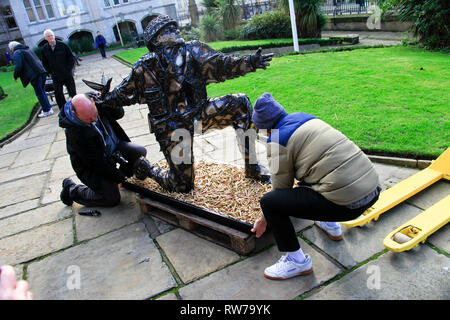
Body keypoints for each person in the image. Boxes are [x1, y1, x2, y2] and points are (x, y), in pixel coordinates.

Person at [88, 14, 273, 193]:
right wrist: (101, 100)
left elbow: (223, 64)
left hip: (200, 114)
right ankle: (147, 168)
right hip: (172, 127)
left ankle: (252, 167)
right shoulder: (144, 68)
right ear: (157, 39)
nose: (176, 31)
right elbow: (122, 94)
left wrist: (250, 62)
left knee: (240, 103)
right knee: (182, 186)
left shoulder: (194, 51)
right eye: (168, 29)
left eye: (174, 27)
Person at [250, 93, 381, 280]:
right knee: (314, 174)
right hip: (372, 188)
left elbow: (281, 190)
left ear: (265, 128)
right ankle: (330, 225)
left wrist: (263, 219)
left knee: (270, 203)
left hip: (348, 205)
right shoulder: (304, 117)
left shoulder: (277, 140)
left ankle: (296, 261)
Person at [59, 93, 148, 207]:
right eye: (90, 120)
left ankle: (122, 180)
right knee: (111, 198)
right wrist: (119, 178)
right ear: (75, 114)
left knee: (139, 152)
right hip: (91, 166)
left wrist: (110, 102)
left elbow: (119, 114)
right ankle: (72, 190)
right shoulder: (75, 133)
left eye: (95, 115)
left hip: (113, 147)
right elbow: (97, 164)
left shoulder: (97, 103)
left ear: (92, 102)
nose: (94, 119)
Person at [9, 41, 54, 118]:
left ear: (12, 48)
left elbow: (18, 66)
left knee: (39, 93)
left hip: (34, 74)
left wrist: (15, 76)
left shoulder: (17, 52)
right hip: (41, 71)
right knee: (42, 91)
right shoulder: (27, 49)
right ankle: (48, 108)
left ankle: (47, 110)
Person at [41, 29, 77, 110]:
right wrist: (49, 72)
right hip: (55, 75)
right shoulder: (45, 49)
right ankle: (63, 109)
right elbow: (44, 62)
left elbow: (71, 58)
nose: (50, 37)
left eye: (51, 35)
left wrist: (69, 69)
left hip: (66, 73)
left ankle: (75, 107)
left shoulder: (63, 45)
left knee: (72, 92)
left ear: (54, 36)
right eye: (48, 36)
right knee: (58, 93)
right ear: (45, 38)